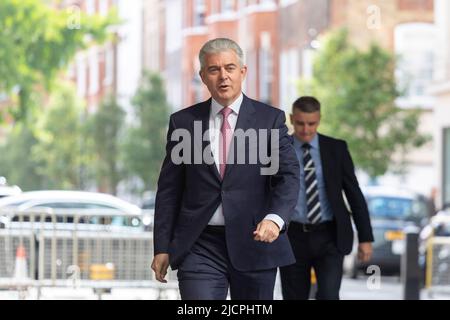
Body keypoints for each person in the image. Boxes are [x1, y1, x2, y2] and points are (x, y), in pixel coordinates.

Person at [151, 38, 300, 300]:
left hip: (255, 243)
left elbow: (286, 177)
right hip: (200, 245)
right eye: (214, 70)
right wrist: (162, 246)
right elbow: (169, 191)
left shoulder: (270, 120)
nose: (223, 77)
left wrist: (275, 219)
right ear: (202, 77)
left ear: (243, 72)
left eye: (230, 68)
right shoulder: (183, 122)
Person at [280, 96, 374, 300]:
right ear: (291, 119)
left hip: (329, 235)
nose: (306, 129)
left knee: (330, 295)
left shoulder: (336, 149)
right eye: (300, 123)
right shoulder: (279, 149)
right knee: (293, 297)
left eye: (311, 123)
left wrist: (365, 238)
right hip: (292, 237)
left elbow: (354, 194)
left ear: (319, 119)